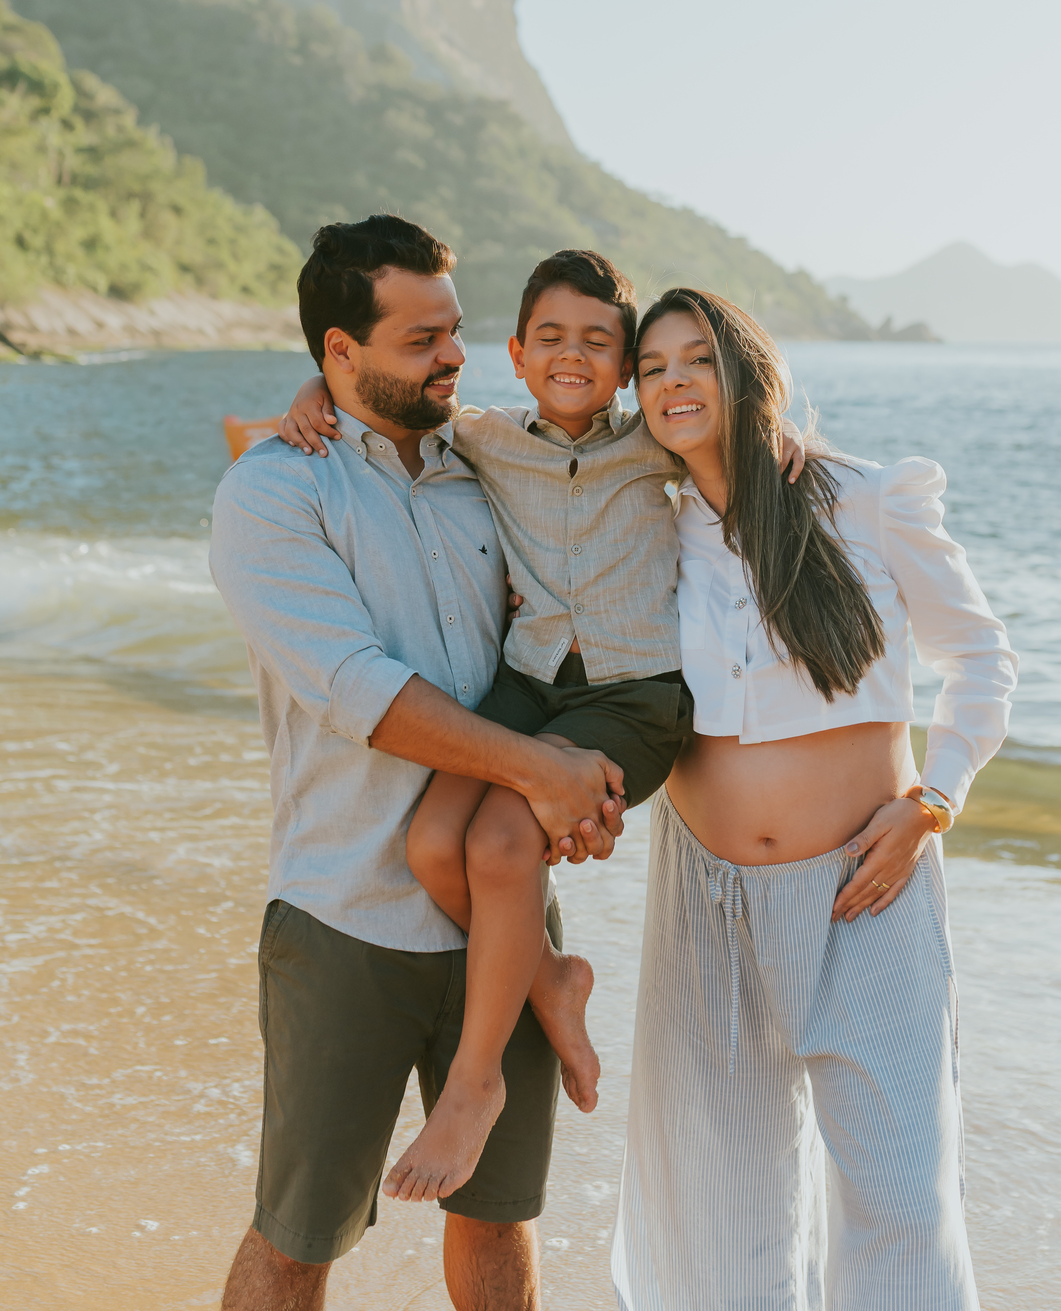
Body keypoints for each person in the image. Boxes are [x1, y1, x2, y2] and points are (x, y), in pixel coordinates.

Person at [280, 249, 807, 1207]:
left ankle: (475, 1083)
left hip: (631, 696)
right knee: (434, 842)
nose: (574, 356)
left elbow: (730, 434)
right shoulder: (482, 437)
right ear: (516, 355)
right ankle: (551, 979)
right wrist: (315, 387)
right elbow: (364, 401)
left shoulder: (654, 444)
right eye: (551, 339)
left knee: (500, 838)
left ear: (626, 364)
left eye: (600, 343)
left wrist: (782, 446)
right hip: (526, 690)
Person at [208, 216, 626, 1311]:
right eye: (419, 339)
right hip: (346, 916)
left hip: (501, 909)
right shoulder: (275, 494)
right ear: (339, 353)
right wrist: (544, 771)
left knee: (497, 1228)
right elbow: (359, 693)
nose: (452, 355)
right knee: (299, 1236)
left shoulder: (486, 464)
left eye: (454, 330)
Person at [611, 288, 1017, 1311]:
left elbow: (979, 657)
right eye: (651, 367)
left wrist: (935, 800)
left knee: (900, 1202)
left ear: (749, 373)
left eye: (695, 357)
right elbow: (514, 458)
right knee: (727, 1214)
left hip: (865, 893)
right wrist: (317, 389)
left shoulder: (867, 499)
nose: (673, 381)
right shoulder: (643, 529)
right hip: (706, 907)